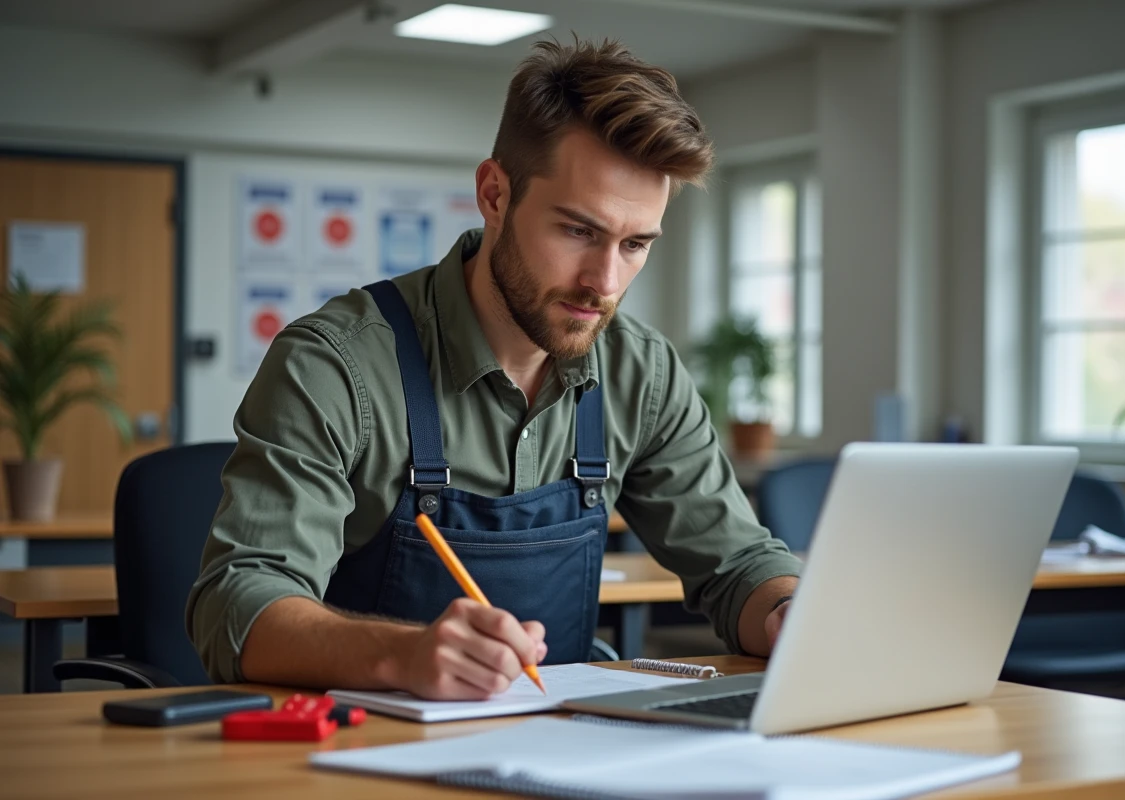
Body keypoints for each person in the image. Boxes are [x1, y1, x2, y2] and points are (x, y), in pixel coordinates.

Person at [187, 37, 800, 700]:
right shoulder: (334, 365)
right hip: (360, 742)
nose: (604, 282)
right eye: (578, 231)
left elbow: (738, 563)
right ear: (494, 194)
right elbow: (236, 605)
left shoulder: (641, 373)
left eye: (634, 244)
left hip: (562, 739)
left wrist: (787, 612)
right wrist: (403, 654)